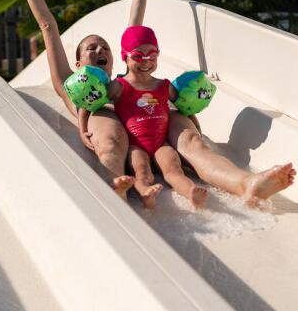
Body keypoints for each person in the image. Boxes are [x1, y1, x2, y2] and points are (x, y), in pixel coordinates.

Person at [4, 0, 295, 206]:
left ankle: (247, 185)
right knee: (111, 136)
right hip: (123, 139)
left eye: (104, 46)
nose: (99, 49)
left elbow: (135, 27)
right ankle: (112, 186)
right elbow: (47, 26)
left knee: (192, 140)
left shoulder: (124, 82)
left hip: (153, 128)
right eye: (90, 48)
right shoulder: (70, 86)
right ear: (79, 64)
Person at [78, 25, 208, 209]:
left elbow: (184, 108)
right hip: (134, 145)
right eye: (138, 56)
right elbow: (90, 103)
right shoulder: (119, 86)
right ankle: (146, 193)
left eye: (152, 55)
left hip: (161, 143)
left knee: (174, 170)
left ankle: (191, 192)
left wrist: (196, 126)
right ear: (125, 56)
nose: (146, 61)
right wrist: (82, 129)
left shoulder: (164, 85)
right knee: (142, 172)